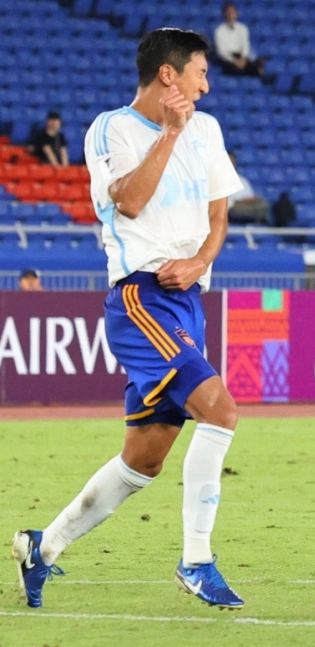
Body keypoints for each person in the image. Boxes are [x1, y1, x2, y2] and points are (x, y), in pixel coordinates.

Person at [11, 28, 247, 609]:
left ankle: (42, 548)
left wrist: (199, 262)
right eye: (199, 72)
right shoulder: (110, 128)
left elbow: (219, 220)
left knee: (145, 457)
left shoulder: (209, 130)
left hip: (187, 299)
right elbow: (131, 201)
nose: (206, 84)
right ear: (169, 76)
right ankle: (196, 561)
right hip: (140, 298)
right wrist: (168, 133)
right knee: (220, 408)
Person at [213, 2, 265, 77]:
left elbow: (245, 45)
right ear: (224, 14)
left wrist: (243, 59)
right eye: (228, 12)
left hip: (241, 56)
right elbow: (222, 51)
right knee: (233, 69)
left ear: (236, 13)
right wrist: (234, 61)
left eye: (233, 12)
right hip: (227, 58)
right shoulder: (219, 31)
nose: (231, 15)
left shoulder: (243, 28)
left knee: (257, 67)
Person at [227, 151, 270, 223]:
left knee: (264, 204)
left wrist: (252, 198)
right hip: (233, 207)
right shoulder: (218, 180)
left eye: (232, 161)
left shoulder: (242, 180)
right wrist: (242, 201)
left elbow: (250, 195)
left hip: (248, 205)